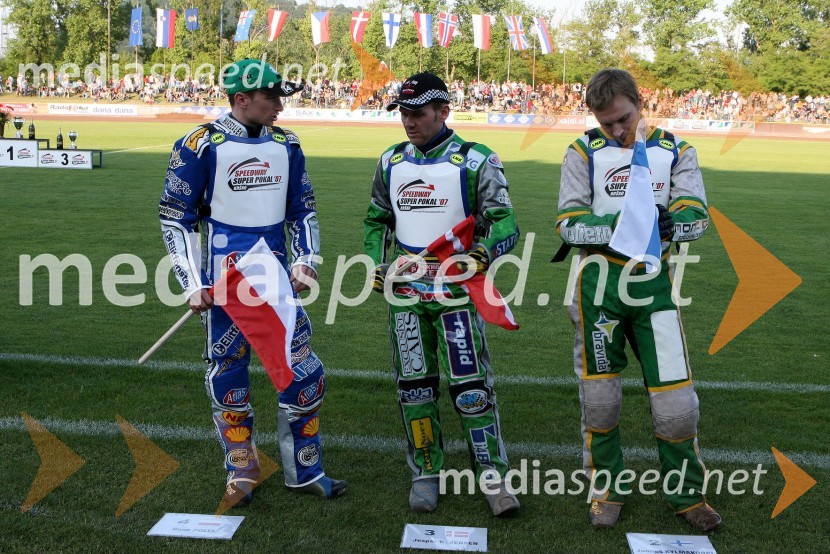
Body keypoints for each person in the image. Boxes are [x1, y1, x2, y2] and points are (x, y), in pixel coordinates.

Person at [158, 59, 346, 506]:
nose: (281, 105)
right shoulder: (198, 145)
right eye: (271, 97)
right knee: (228, 374)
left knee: (302, 371)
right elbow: (174, 217)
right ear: (242, 99)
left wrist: (306, 260)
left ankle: (305, 468)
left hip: (276, 283)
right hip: (223, 285)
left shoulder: (288, 143)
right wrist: (189, 282)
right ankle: (241, 468)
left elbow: (304, 209)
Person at [555, 68, 720, 531]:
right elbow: (568, 222)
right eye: (606, 123)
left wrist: (673, 223)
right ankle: (606, 492)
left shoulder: (676, 150)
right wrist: (632, 225)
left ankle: (687, 496)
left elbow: (697, 216)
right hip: (598, 287)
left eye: (623, 118)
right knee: (600, 400)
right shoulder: (583, 150)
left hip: (654, 289)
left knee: (676, 405)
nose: (617, 130)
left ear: (640, 102)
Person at [364, 72, 521, 516]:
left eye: (418, 114)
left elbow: (506, 223)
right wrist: (378, 263)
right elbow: (376, 220)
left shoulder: (476, 161)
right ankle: (426, 472)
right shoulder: (391, 161)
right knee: (414, 388)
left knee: (472, 388)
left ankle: (492, 476)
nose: (409, 122)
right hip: (406, 294)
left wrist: (482, 255)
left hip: (454, 293)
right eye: (404, 114)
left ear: (443, 112)